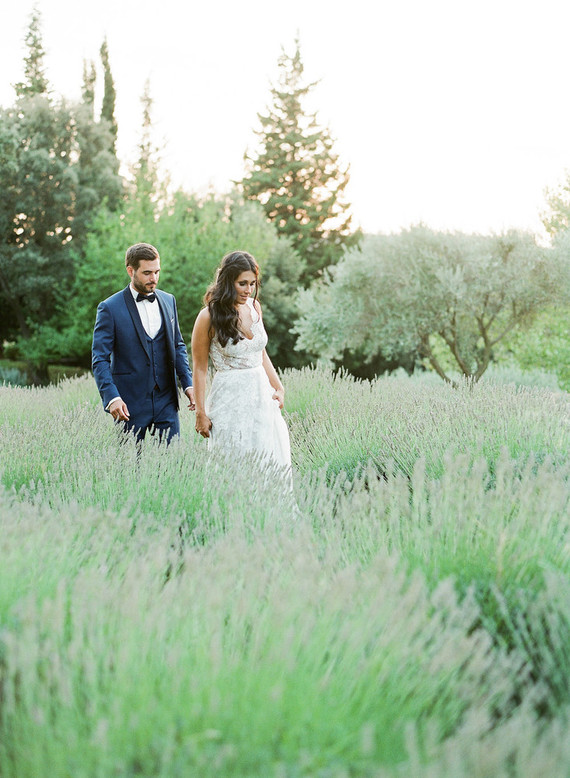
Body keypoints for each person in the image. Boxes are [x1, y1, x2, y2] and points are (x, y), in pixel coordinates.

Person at [191, 250, 291, 470]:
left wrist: (279, 387)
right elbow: (199, 368)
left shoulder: (254, 308)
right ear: (228, 282)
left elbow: (261, 354)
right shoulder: (208, 317)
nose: (249, 290)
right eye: (242, 283)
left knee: (268, 459)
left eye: (252, 284)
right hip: (229, 399)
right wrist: (200, 413)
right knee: (232, 462)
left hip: (261, 396)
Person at [92, 242, 195, 443]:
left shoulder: (169, 300)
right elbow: (99, 359)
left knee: (170, 465)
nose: (154, 278)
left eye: (157, 272)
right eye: (147, 273)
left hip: (166, 401)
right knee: (129, 468)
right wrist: (112, 398)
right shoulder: (109, 308)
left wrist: (188, 384)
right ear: (131, 270)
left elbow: (177, 346)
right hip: (129, 404)